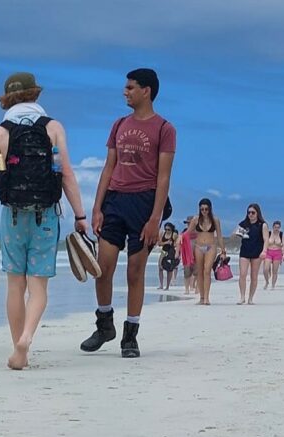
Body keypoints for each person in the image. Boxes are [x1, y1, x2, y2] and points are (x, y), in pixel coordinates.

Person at [0, 72, 88, 370]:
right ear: (35, 95)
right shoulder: (53, 127)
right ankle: (27, 336)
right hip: (46, 215)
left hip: (12, 216)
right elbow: (67, 175)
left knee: (15, 284)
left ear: (7, 98)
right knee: (38, 287)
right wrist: (80, 216)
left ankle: (20, 351)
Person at [80, 68, 176, 358]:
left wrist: (154, 219)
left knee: (135, 272)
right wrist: (97, 207)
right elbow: (108, 167)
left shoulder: (164, 129)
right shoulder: (119, 124)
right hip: (115, 200)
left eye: (130, 87)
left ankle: (130, 335)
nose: (125, 92)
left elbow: (163, 177)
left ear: (146, 91)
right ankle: (104, 324)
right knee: (102, 267)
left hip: (144, 202)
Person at [184, 198, 225, 306]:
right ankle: (202, 297)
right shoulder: (196, 219)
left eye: (206, 209)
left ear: (210, 209)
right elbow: (188, 232)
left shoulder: (215, 220)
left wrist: (223, 251)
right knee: (200, 272)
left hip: (211, 246)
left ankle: (207, 297)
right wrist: (180, 239)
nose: (204, 211)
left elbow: (220, 236)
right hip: (198, 246)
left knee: (207, 271)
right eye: (202, 209)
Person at [232, 203, 268, 305]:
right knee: (242, 274)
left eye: (253, 212)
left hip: (257, 252)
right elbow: (234, 236)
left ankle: (250, 298)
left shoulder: (262, 225)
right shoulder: (244, 224)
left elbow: (266, 240)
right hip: (245, 251)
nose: (250, 214)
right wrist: (235, 232)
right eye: (249, 212)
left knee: (254, 276)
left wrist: (264, 251)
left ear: (257, 213)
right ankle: (242, 297)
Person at [157, 222, 179, 290]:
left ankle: (167, 286)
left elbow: (177, 243)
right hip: (164, 251)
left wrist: (177, 252)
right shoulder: (162, 233)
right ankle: (161, 285)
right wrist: (166, 242)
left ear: (171, 229)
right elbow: (159, 243)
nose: (167, 231)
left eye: (168, 229)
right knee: (160, 266)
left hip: (171, 251)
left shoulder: (174, 234)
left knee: (169, 268)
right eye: (166, 229)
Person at [264, 221, 284, 289]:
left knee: (275, 271)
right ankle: (267, 281)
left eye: (278, 227)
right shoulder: (269, 233)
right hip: (268, 252)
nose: (276, 229)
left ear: (280, 228)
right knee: (266, 269)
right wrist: (263, 251)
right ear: (273, 227)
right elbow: (264, 243)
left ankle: (273, 285)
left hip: (277, 253)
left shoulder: (281, 234)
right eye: (275, 227)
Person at [179, 216, 196, 295]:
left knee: (197, 272)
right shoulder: (184, 232)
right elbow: (179, 242)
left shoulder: (198, 233)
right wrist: (177, 253)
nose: (189, 225)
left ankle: (194, 287)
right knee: (187, 273)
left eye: (190, 223)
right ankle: (187, 289)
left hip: (196, 254)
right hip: (187, 255)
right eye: (188, 223)